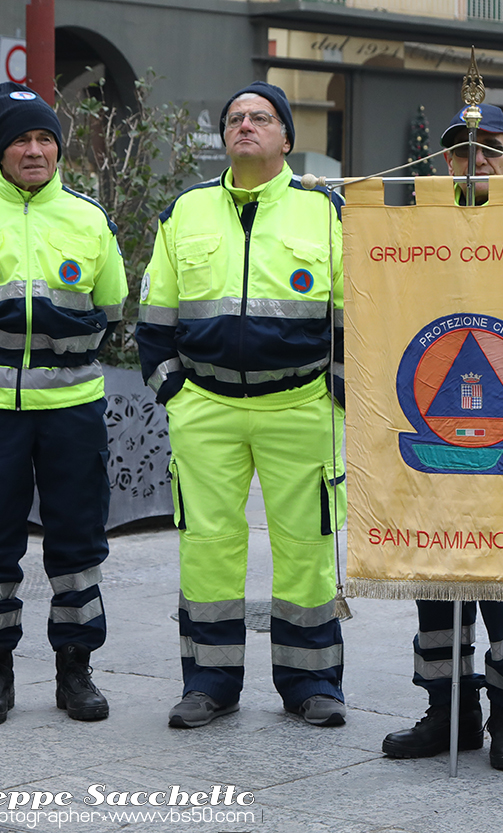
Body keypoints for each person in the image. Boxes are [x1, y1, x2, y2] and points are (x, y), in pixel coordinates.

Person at [136, 81, 347, 729]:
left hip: (300, 405)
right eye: (234, 118)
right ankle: (209, 680)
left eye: (260, 117)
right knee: (207, 544)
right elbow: (154, 312)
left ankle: (311, 683)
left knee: (306, 546)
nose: (245, 125)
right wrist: (171, 386)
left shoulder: (326, 211)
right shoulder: (187, 211)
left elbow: (359, 310)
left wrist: (339, 388)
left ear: (287, 137)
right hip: (205, 407)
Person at [0, 82, 128, 726]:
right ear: (0, 151)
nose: (33, 150)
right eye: (20, 139)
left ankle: (76, 671)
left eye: (44, 138)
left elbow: (113, 310)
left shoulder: (89, 219)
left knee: (77, 542)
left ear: (58, 149)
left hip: (73, 409)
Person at [380, 103, 503, 771]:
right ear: (443, 161)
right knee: (435, 573)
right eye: (459, 151)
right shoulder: (416, 226)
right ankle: (449, 712)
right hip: (434, 426)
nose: (474, 160)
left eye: (489, 148)